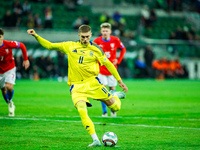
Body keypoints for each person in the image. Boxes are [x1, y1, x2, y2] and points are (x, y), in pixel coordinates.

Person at [27, 25, 128, 147]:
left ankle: (114, 95)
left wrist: (119, 80)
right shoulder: (69, 46)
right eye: (83, 37)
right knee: (82, 110)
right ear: (79, 35)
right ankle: (95, 139)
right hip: (77, 87)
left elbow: (109, 65)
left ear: (91, 35)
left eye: (87, 37)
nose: (85, 39)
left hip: (93, 83)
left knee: (116, 107)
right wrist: (36, 36)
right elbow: (50, 45)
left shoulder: (96, 49)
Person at [93, 22, 126, 117]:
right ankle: (104, 112)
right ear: (101, 31)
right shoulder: (96, 41)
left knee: (112, 90)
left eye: (106, 30)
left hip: (112, 70)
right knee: (103, 91)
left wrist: (118, 60)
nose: (105, 32)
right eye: (103, 30)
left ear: (110, 31)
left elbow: (123, 49)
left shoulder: (115, 40)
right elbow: (91, 52)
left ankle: (113, 110)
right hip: (101, 70)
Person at [0, 28, 30, 116]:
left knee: (8, 86)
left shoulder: (8, 44)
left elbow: (22, 46)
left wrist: (26, 59)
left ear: (2, 37)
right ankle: (9, 103)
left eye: (0, 37)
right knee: (3, 89)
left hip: (10, 69)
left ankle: (10, 102)